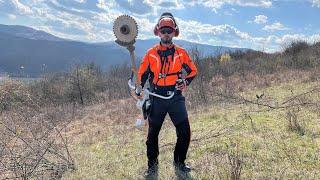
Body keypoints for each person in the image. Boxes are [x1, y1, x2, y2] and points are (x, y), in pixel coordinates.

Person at [136, 12, 198, 178]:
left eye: (169, 30)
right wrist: (139, 88)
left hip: (176, 97)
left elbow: (193, 70)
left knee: (185, 132)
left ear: (174, 32)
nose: (166, 33)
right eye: (163, 30)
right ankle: (152, 167)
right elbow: (141, 75)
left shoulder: (181, 53)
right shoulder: (151, 54)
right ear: (158, 31)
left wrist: (185, 82)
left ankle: (179, 163)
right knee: (152, 135)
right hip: (157, 97)